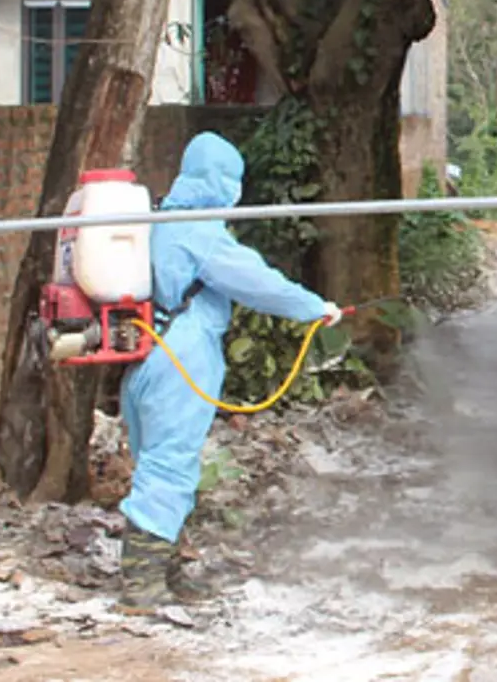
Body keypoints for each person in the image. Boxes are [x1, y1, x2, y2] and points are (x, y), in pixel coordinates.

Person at [117, 132, 342, 608]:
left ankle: (163, 572)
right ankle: (141, 586)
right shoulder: (199, 231)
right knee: (169, 468)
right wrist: (314, 307)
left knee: (157, 465)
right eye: (232, 180)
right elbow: (255, 282)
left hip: (145, 354)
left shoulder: (159, 219)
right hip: (181, 356)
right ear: (222, 182)